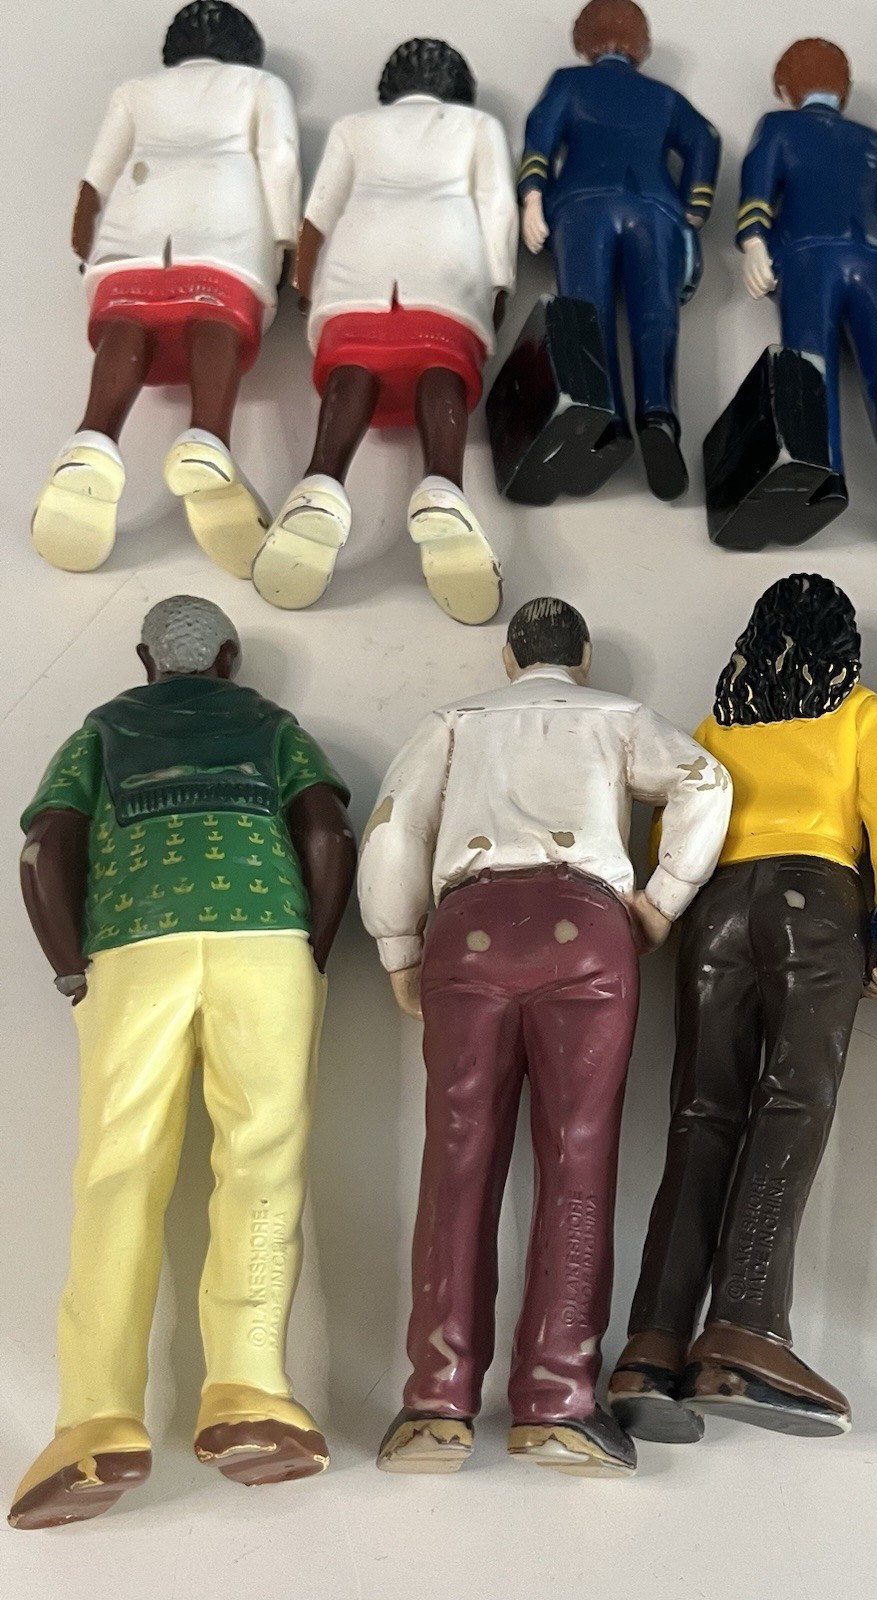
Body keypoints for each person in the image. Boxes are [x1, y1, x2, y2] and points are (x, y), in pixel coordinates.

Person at [359, 598, 731, 1479]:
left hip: (470, 928)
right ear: (583, 654)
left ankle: (435, 1401)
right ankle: (558, 1399)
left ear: (509, 657)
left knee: (455, 1155)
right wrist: (662, 901)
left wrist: (399, 946)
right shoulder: (618, 717)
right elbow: (705, 781)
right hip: (584, 925)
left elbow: (395, 824)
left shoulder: (454, 722)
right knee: (579, 1152)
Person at [10, 598, 355, 1529]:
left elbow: (45, 845)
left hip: (133, 945)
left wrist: (70, 969)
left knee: (116, 1172)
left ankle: (96, 1420)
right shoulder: (273, 727)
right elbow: (327, 832)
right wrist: (314, 953)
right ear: (231, 658)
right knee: (263, 1158)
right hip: (265, 939)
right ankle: (248, 1391)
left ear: (144, 659)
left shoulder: (101, 730)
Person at [609, 575, 877, 1442]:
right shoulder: (859, 713)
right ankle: (745, 1326)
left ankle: (651, 1344)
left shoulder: (720, 725)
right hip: (813, 899)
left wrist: (670, 912)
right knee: (793, 1101)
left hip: (714, 910)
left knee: (700, 1114)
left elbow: (673, 827)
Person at [31, 2, 299, 578]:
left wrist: (84, 244)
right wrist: (286, 244)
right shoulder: (259, 86)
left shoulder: (135, 92)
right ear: (244, 49)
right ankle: (208, 437)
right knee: (215, 316)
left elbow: (96, 176)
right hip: (224, 216)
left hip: (137, 216)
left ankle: (92, 438)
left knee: (128, 320)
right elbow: (277, 160)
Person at [254, 38, 515, 624]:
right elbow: (496, 205)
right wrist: (499, 285)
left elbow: (320, 212)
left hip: (361, 256)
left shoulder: (355, 127)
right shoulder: (477, 126)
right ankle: (443, 486)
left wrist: (302, 282)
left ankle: (320, 482)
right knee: (441, 362)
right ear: (458, 87)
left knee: (355, 361)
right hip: (444, 255)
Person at [726, 39, 877, 553]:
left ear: (784, 88)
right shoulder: (871, 140)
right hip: (876, 259)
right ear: (845, 90)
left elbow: (758, 178)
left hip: (809, 256)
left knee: (810, 366)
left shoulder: (778, 126)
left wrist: (753, 241)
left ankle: (821, 473)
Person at [515, 0, 720, 501]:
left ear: (583, 42)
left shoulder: (568, 83)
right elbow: (706, 139)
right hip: (654, 208)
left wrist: (533, 195)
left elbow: (541, 133)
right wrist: (694, 207)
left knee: (588, 313)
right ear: (641, 46)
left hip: (583, 205)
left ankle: (605, 416)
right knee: (656, 315)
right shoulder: (663, 97)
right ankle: (658, 414)